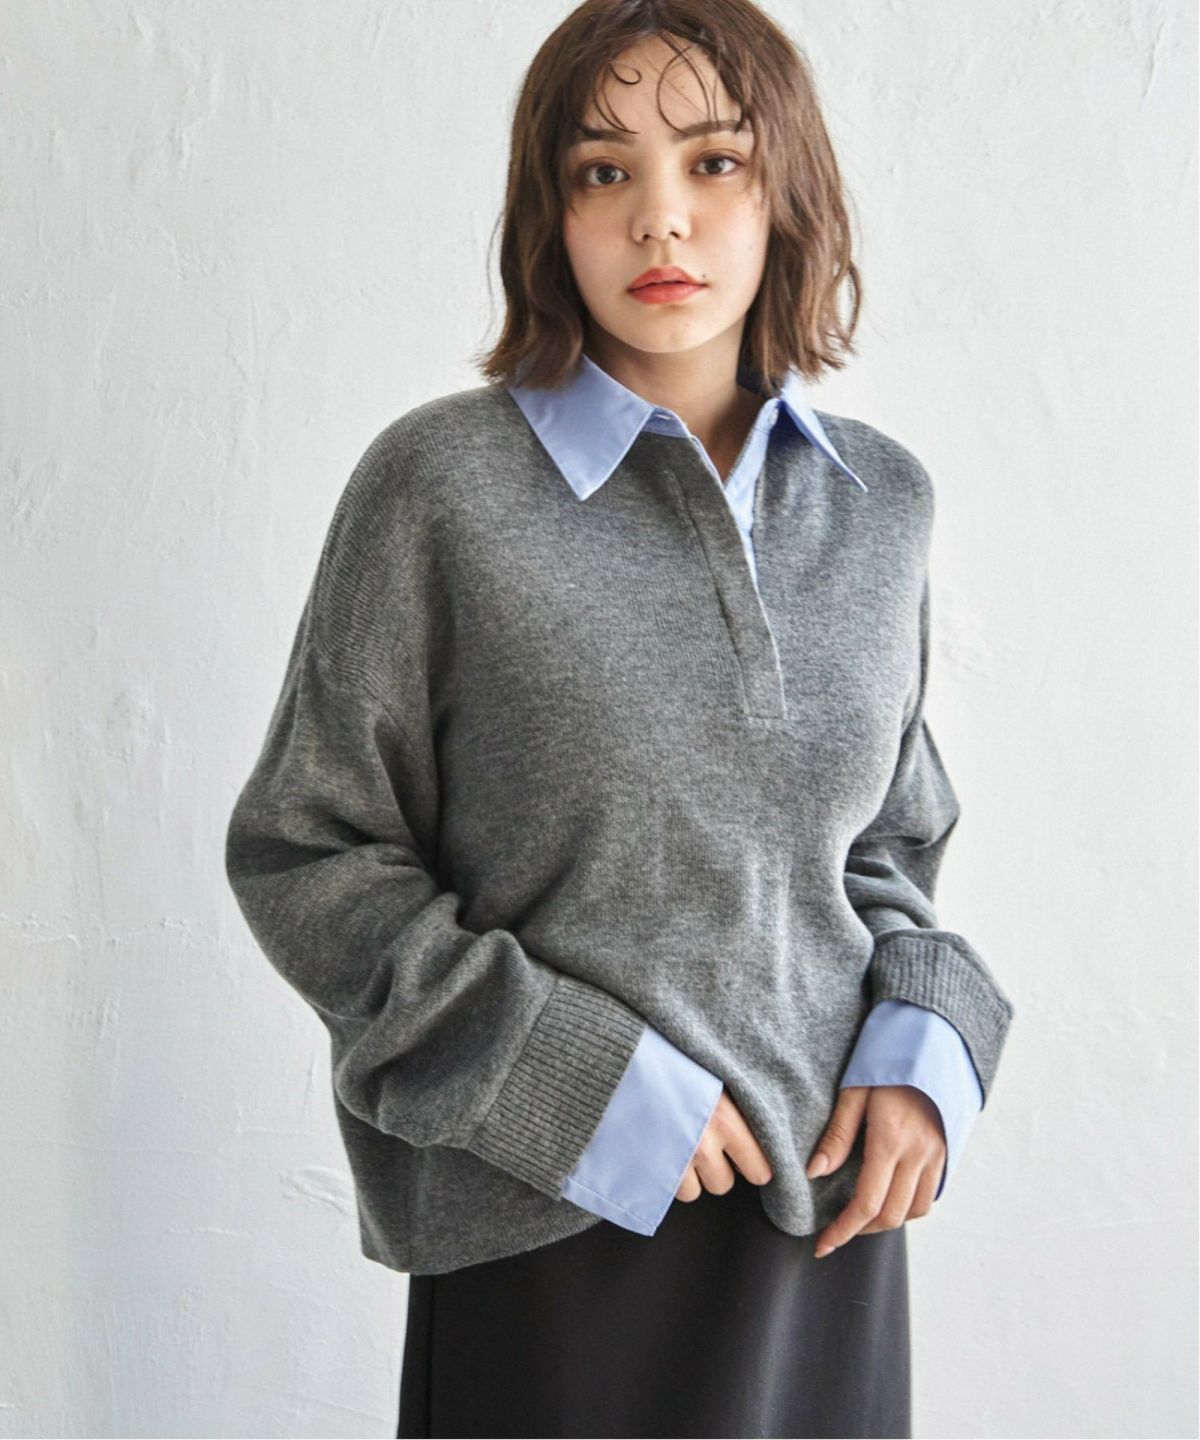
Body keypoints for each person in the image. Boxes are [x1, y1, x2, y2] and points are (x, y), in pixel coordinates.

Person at [224, 2, 1015, 1435]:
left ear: (786, 192)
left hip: (825, 1224)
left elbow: (884, 849)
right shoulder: (439, 489)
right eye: (605, 172)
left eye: (715, 162)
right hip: (547, 1219)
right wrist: (568, 1082)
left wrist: (927, 1043)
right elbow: (309, 852)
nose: (661, 218)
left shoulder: (879, 501)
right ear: (552, 212)